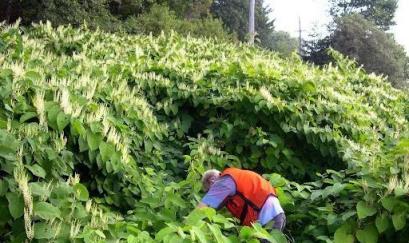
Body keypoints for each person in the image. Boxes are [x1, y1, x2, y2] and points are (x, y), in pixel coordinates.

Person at [198, 168, 286, 237]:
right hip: (276, 216)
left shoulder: (225, 181)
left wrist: (187, 226)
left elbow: (202, 208)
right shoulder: (235, 178)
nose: (213, 193)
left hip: (269, 219)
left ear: (212, 180)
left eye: (210, 190)